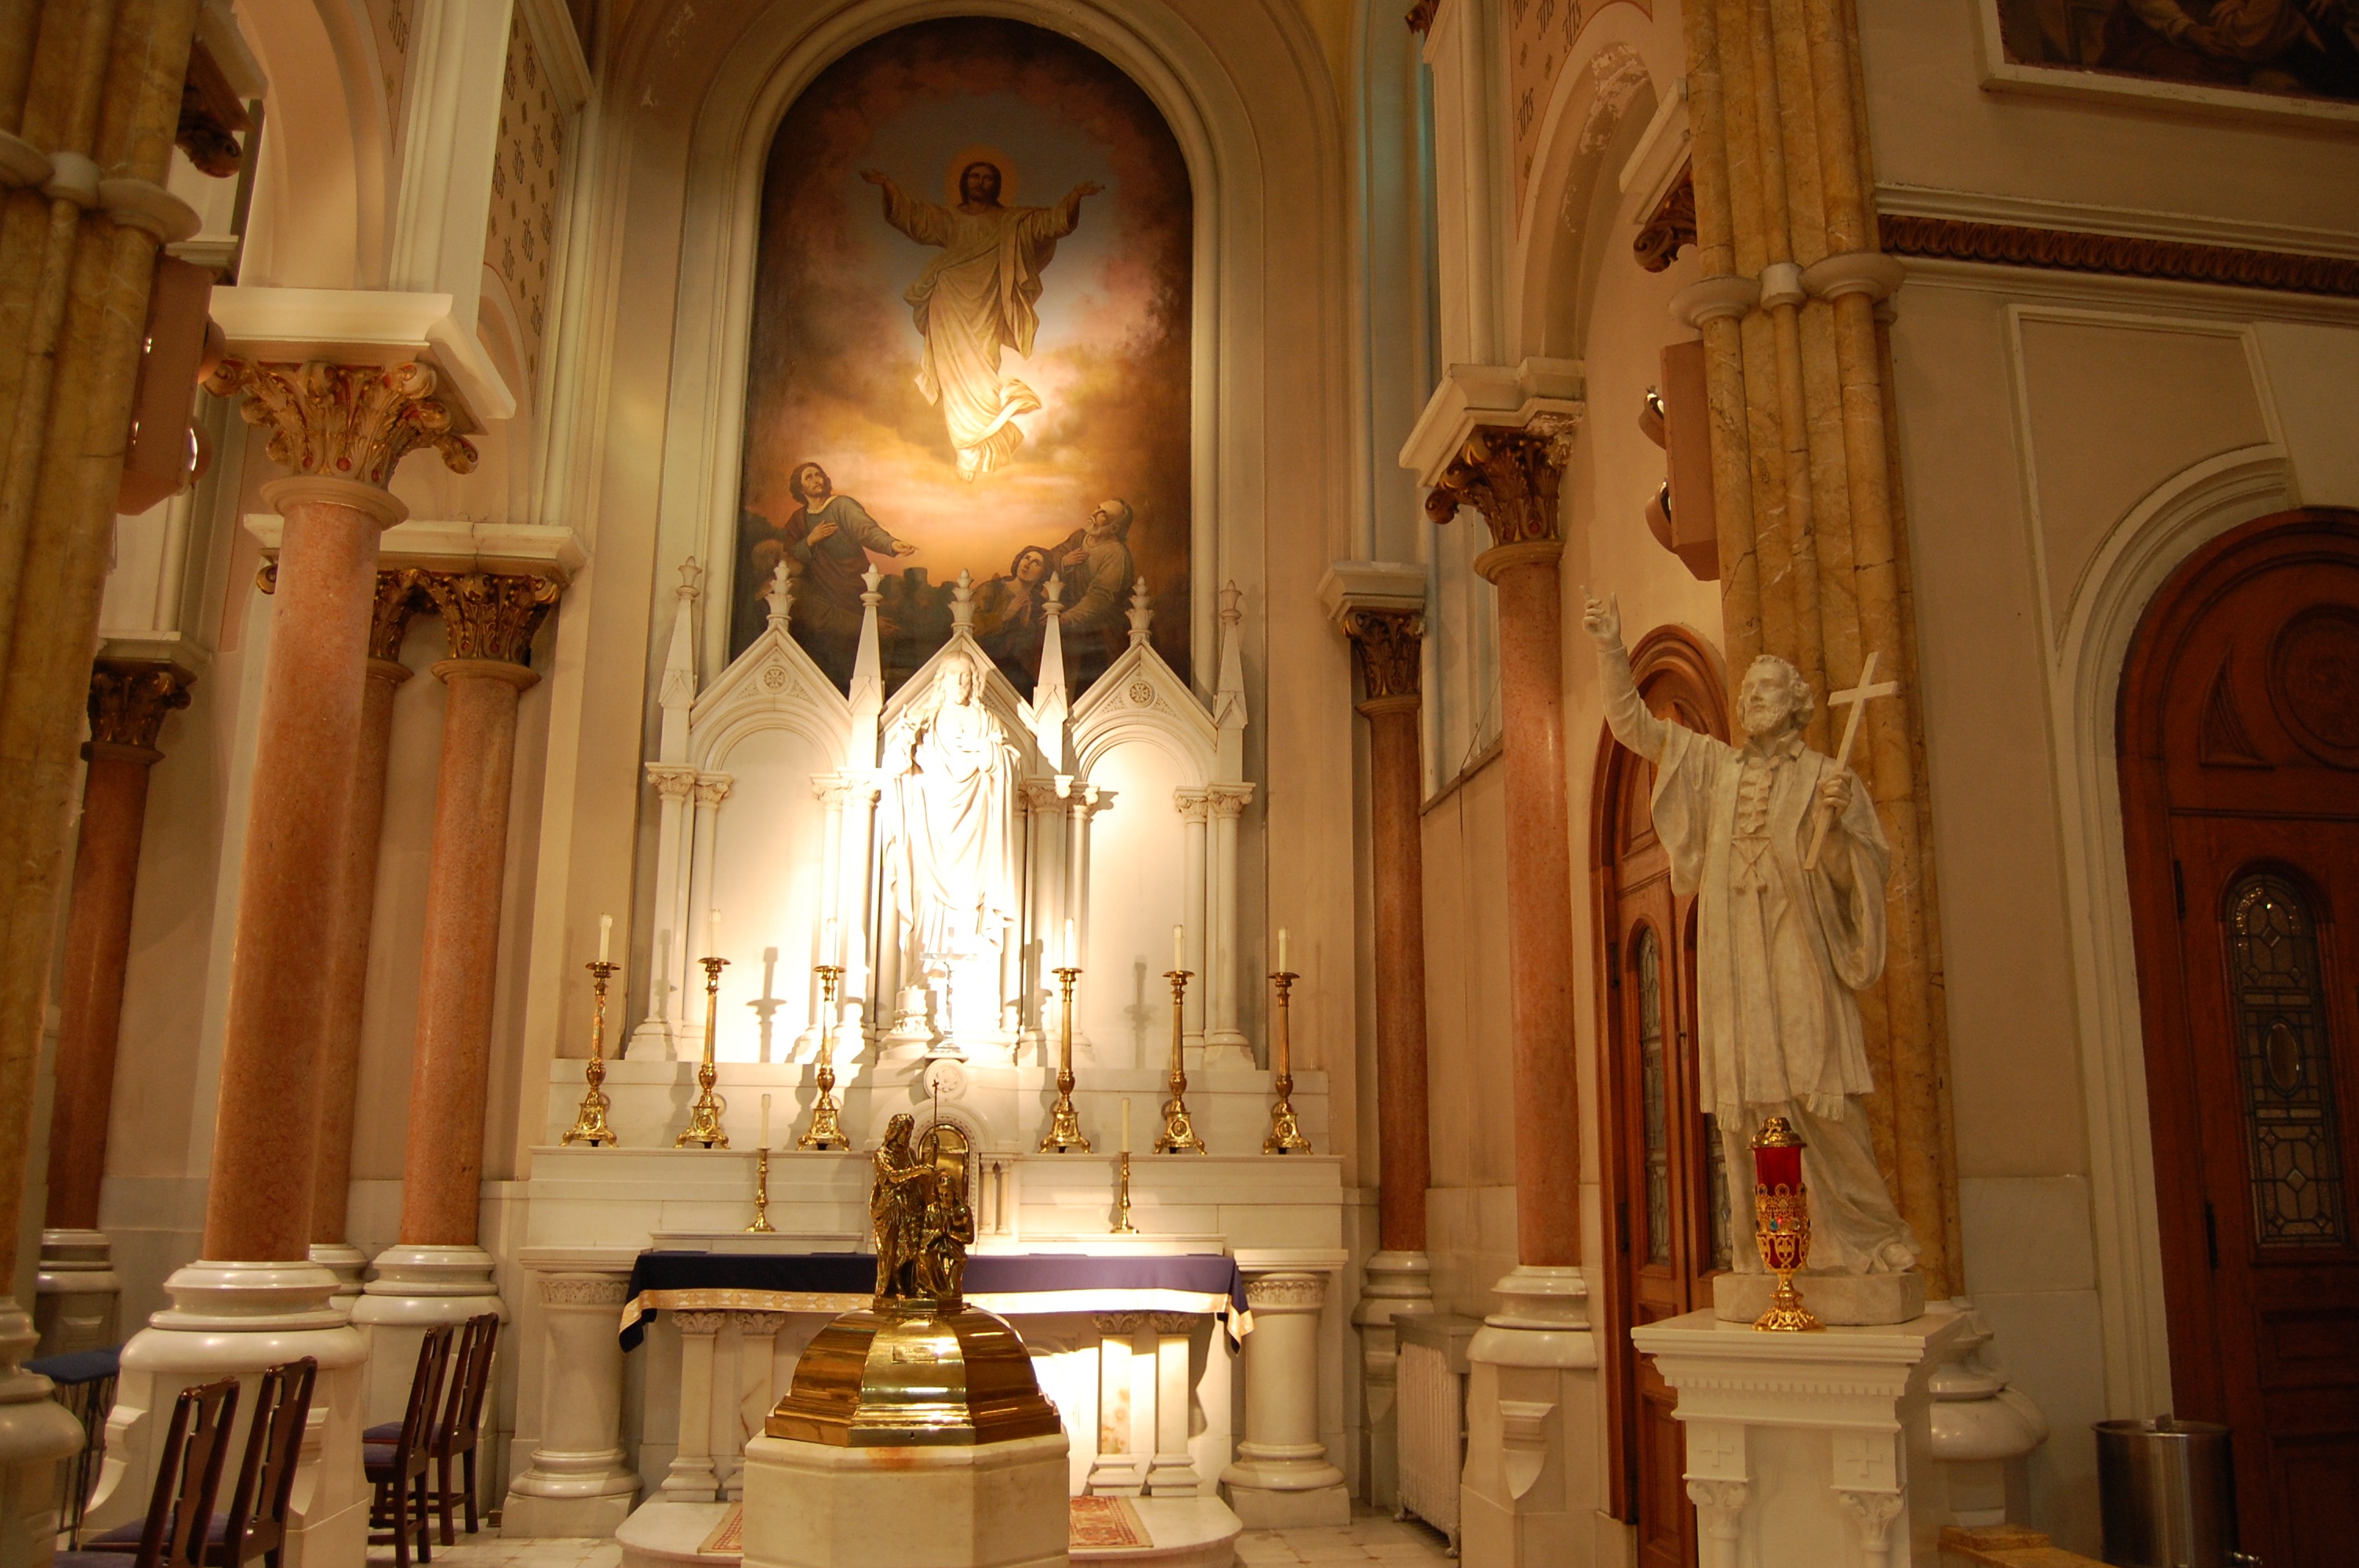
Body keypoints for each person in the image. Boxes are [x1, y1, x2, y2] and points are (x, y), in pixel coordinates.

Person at [1585, 591, 1920, 1275]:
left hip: (1798, 950)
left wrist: (1833, 842)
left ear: (1796, 702)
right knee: (1754, 1105)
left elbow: (1860, 873)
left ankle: (1872, 1233)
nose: (1757, 698)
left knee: (1820, 1094)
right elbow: (1634, 729)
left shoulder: (1830, 780)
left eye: (1771, 688)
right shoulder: (1716, 767)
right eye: (1751, 690)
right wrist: (1611, 650)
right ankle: (1772, 1253)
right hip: (1735, 959)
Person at [862, 159, 1103, 479]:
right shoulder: (950, 218)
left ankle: (983, 444)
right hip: (948, 300)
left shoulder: (1011, 222)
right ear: (964, 181)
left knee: (984, 368)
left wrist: (1074, 197)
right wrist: (888, 186)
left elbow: (1049, 224)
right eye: (975, 176)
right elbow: (915, 219)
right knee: (952, 373)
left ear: (997, 185)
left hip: (987, 301)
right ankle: (966, 452)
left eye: (988, 178)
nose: (981, 182)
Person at [761, 461, 916, 680]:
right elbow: (790, 556)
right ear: (800, 488)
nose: (817, 480)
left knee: (862, 642)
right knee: (834, 645)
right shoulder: (798, 520)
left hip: (854, 584)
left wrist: (890, 544)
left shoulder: (842, 505)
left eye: (819, 475)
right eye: (810, 477)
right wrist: (811, 540)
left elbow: (865, 529)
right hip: (824, 589)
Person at [1052, 499, 1137, 677]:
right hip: (1067, 613)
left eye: (1103, 515)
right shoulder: (1080, 537)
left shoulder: (1116, 553)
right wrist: (1064, 561)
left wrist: (1069, 617)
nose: (1095, 514)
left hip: (1097, 628)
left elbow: (1100, 596)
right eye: (1098, 508)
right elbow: (1054, 556)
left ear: (1114, 528)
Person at [972, 543, 1053, 684]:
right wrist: (1006, 615)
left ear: (1043, 574)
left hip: (1017, 673)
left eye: (1036, 563)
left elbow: (1035, 649)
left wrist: (1025, 622)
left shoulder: (1040, 605)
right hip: (983, 664)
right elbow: (972, 626)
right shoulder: (992, 589)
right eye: (1026, 558)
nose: (1027, 565)